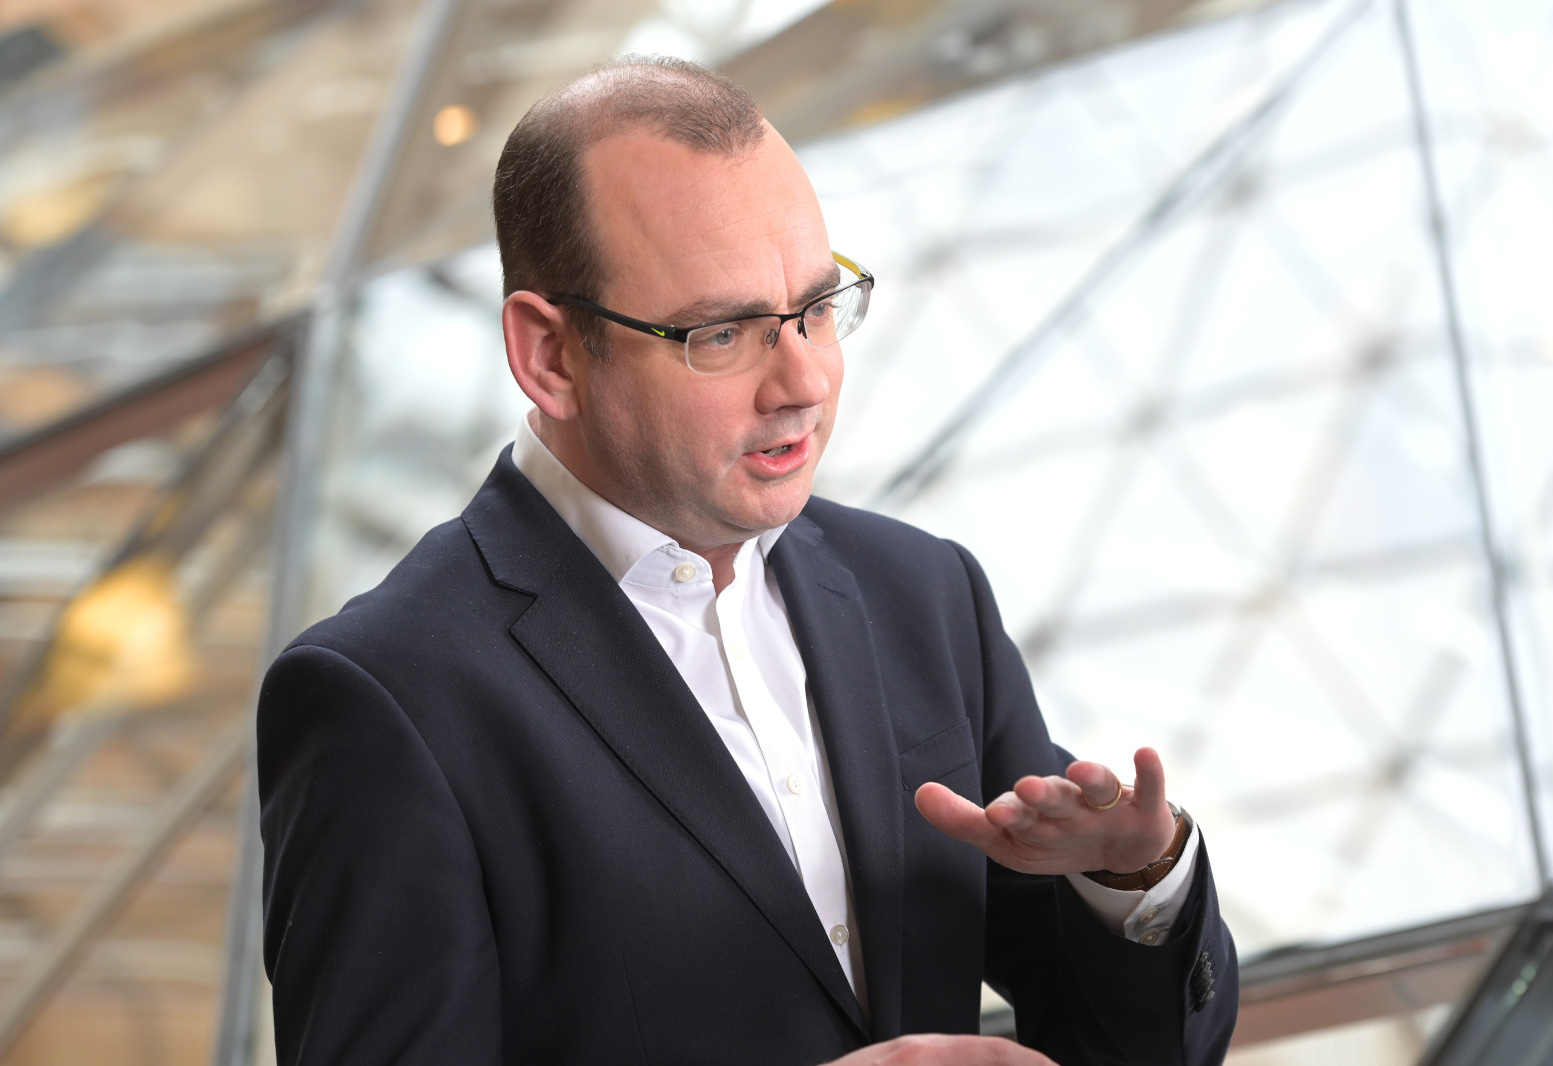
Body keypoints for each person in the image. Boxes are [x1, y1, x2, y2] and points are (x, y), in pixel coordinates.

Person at [257, 56, 1238, 1065]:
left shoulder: (923, 596)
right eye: (721, 334)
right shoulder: (386, 699)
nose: (804, 378)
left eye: (817, 306)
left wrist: (1132, 887)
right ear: (549, 355)